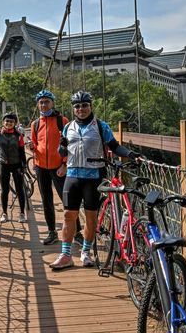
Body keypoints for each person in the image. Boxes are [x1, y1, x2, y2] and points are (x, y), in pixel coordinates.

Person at [49, 91, 141, 269]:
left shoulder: (101, 126)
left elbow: (114, 146)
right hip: (72, 175)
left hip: (93, 177)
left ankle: (85, 253)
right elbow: (61, 153)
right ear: (73, 109)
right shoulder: (68, 127)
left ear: (90, 106)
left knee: (91, 217)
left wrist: (130, 154)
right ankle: (66, 255)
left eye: (84, 105)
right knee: (69, 215)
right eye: (77, 106)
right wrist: (62, 145)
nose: (81, 109)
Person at [30, 90, 83, 246]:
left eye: (47, 101)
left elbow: (70, 145)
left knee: (68, 200)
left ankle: (77, 232)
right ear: (38, 104)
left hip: (59, 167)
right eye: (41, 102)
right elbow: (35, 144)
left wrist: (65, 164)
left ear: (52, 102)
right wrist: (32, 151)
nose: (44, 104)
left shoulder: (63, 121)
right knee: (47, 200)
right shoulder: (35, 124)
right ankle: (52, 232)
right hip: (41, 167)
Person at [0, 112, 27, 223]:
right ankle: (4, 213)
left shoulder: (19, 135)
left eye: (11, 121)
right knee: (4, 190)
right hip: (3, 164)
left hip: (16, 165)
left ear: (15, 123)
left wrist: (24, 165)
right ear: (3, 122)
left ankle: (22, 214)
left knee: (20, 190)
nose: (8, 123)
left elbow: (22, 152)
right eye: (6, 121)